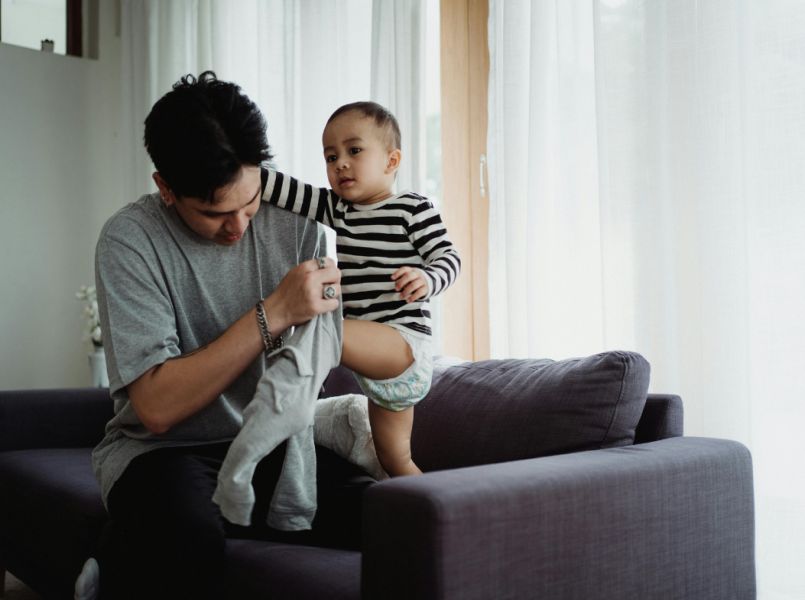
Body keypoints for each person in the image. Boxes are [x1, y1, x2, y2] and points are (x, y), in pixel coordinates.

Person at [87, 71, 368, 600]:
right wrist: (273, 312)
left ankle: (120, 558)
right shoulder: (129, 240)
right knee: (188, 532)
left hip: (268, 441)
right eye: (215, 214)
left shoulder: (295, 213)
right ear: (165, 188)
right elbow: (157, 407)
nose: (238, 227)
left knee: (386, 516)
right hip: (161, 452)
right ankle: (121, 562)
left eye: (250, 201)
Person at [263, 101, 461, 477]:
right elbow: (286, 191)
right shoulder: (339, 210)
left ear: (391, 160)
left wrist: (427, 279)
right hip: (378, 372)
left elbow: (450, 258)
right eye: (330, 156)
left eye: (354, 151)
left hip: (401, 345)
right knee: (394, 461)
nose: (340, 163)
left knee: (322, 328)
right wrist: (242, 172)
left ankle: (285, 396)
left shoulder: (412, 209)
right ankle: (437, 515)